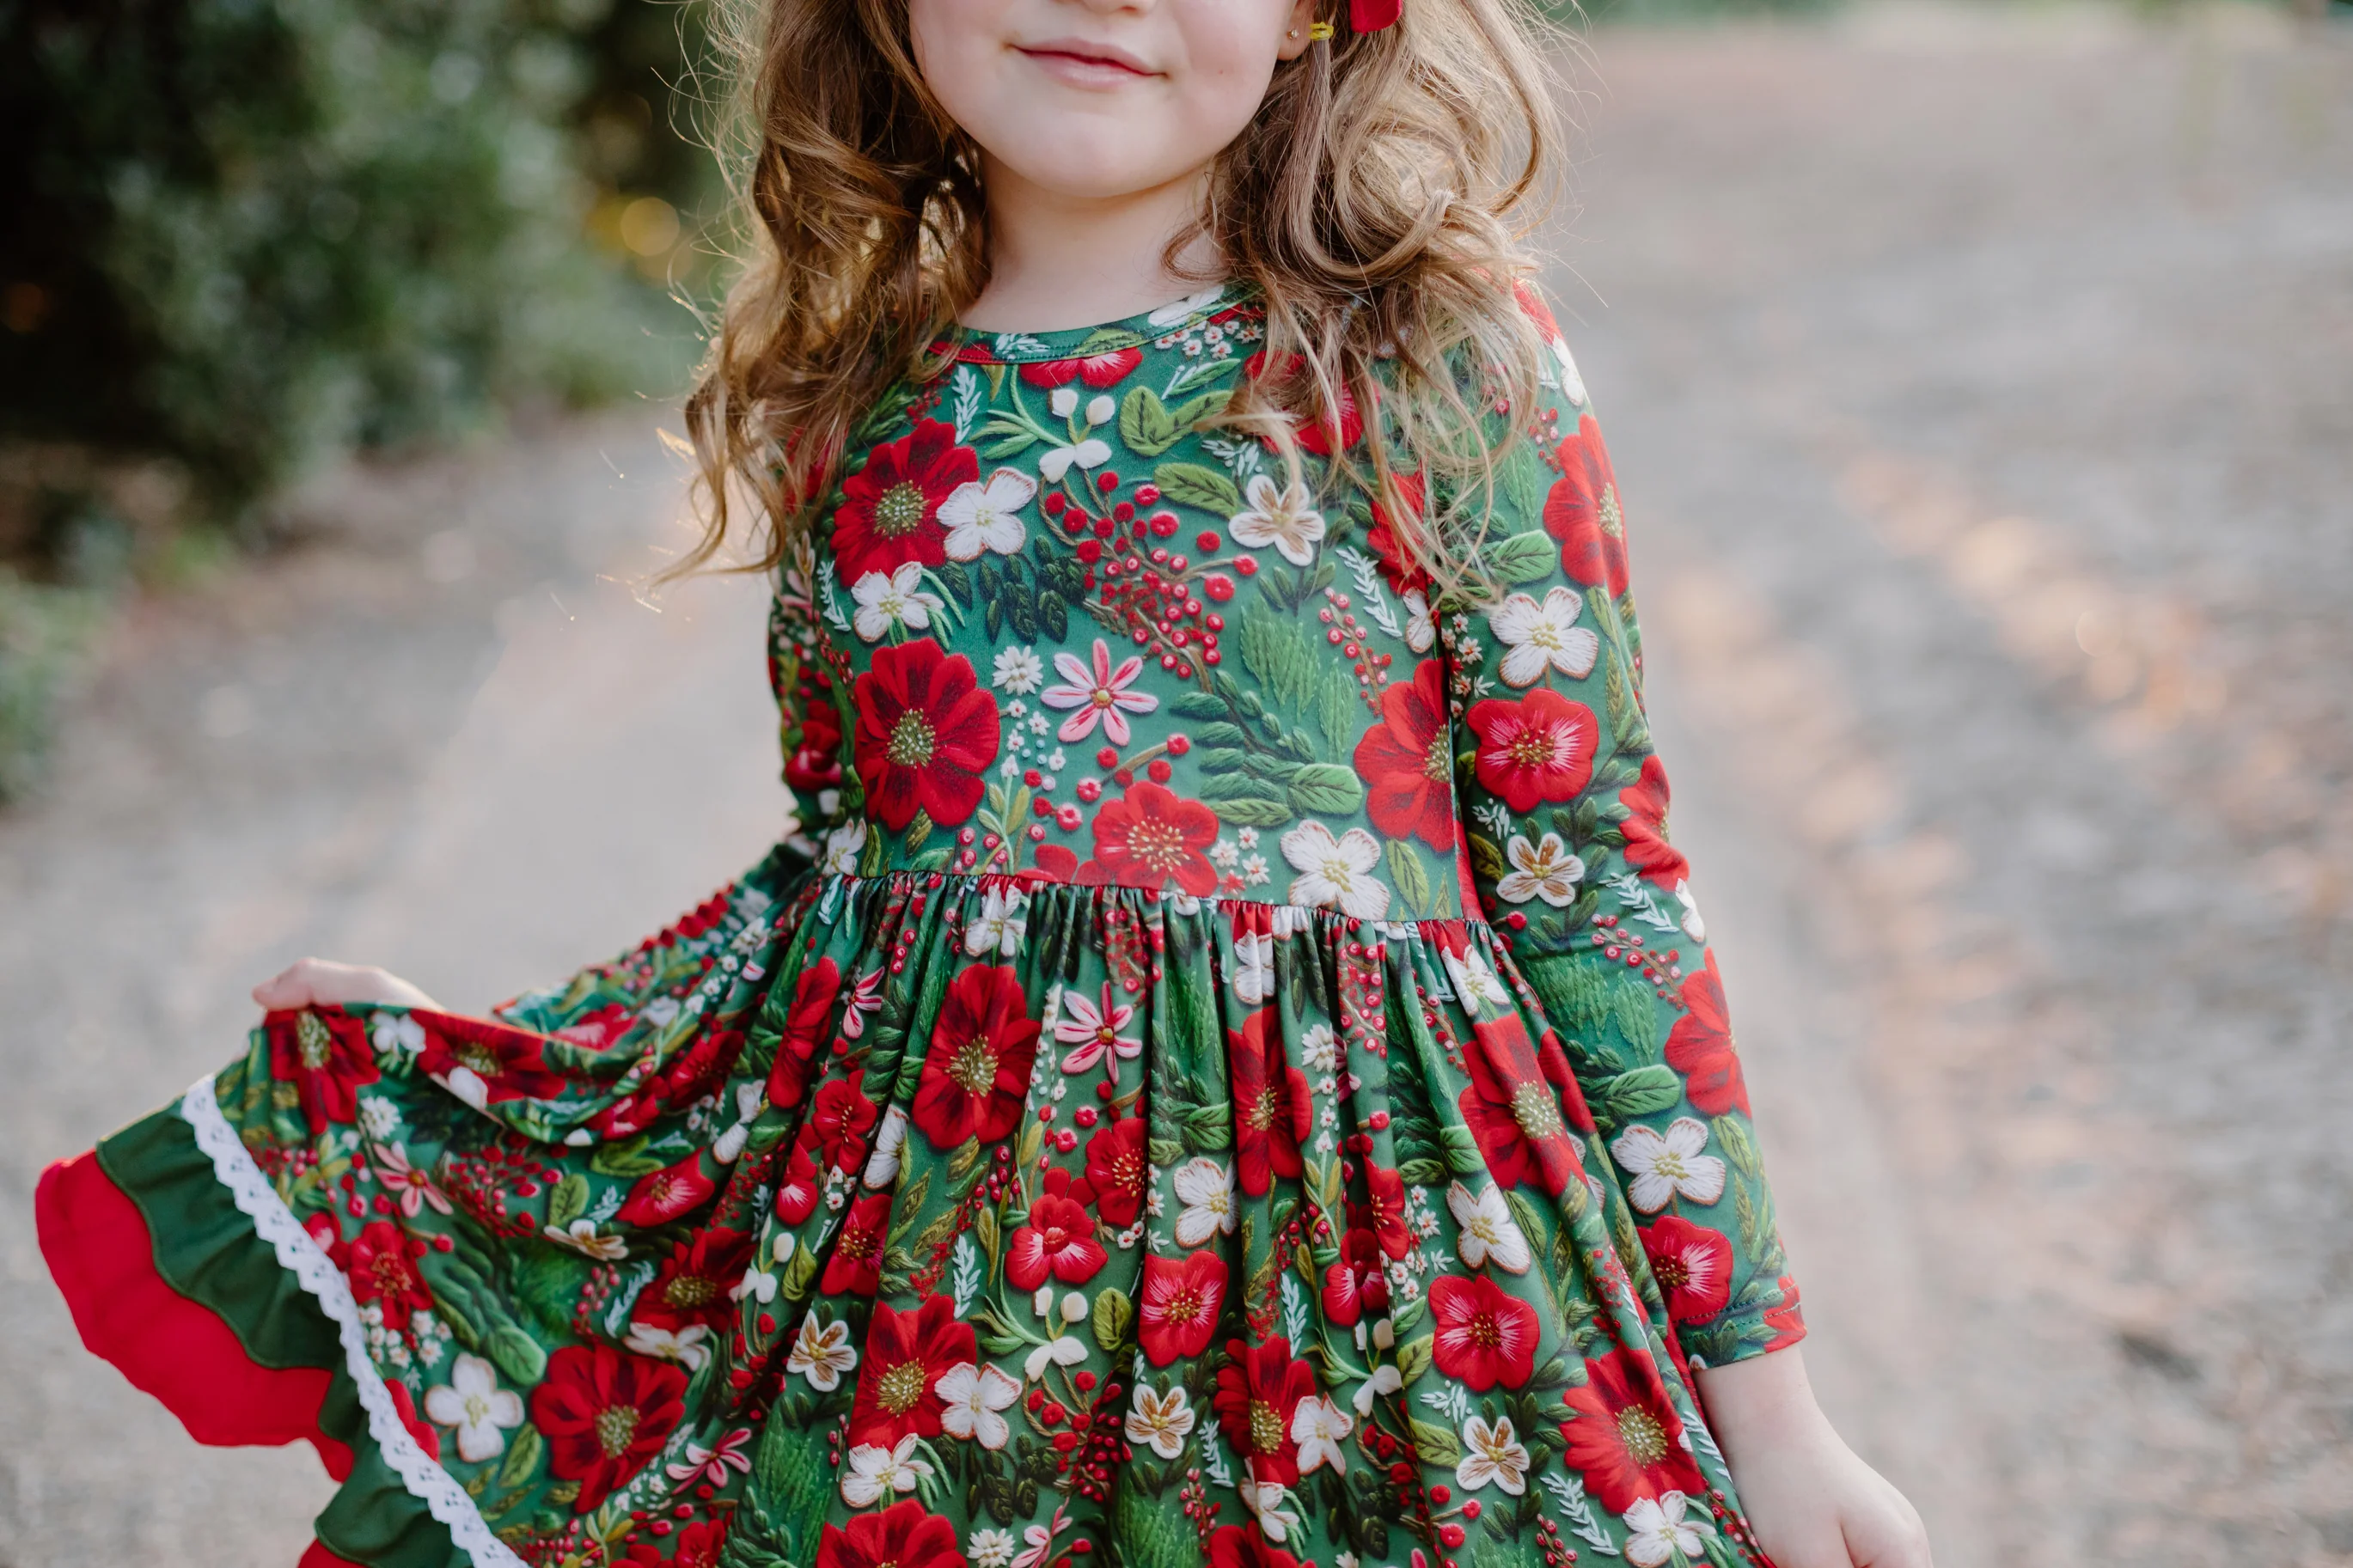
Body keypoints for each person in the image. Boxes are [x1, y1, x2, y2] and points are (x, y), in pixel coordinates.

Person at [36, 0, 1934, 1563]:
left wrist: (1767, 1405)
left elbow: (1587, 868)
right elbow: (832, 915)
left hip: (1370, 1321)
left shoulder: (1430, 358)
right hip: (935, 1334)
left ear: (1312, 20)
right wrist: (517, 1067)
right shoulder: (854, 404)